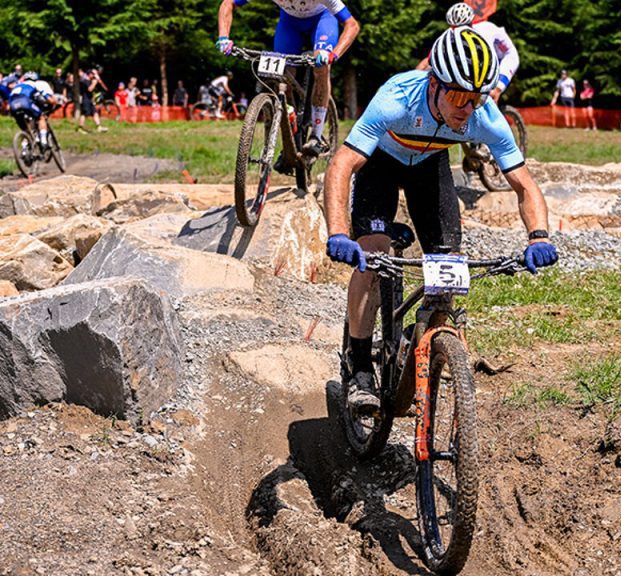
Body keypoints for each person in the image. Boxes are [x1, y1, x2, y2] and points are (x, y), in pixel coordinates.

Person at [322, 27, 558, 410]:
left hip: (429, 167)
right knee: (372, 255)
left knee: (448, 261)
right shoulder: (396, 98)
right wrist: (339, 233)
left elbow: (524, 185)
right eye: (460, 96)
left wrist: (539, 237)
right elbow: (342, 164)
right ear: (434, 84)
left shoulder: (484, 116)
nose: (468, 108)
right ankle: (360, 365)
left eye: (477, 97)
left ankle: (435, 340)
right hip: (380, 165)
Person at [218, 0, 361, 158]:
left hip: (323, 19)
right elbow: (228, 3)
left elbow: (352, 25)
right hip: (290, 22)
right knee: (282, 75)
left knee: (321, 68)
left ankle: (316, 136)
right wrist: (224, 37)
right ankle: (291, 141)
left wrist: (334, 55)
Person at [415, 3, 521, 104]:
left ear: (471, 24)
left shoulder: (488, 32)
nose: (458, 32)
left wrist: (498, 88)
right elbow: (428, 62)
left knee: (487, 97)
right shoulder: (447, 37)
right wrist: (412, 79)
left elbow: (511, 55)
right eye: (453, 28)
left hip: (502, 60)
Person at [8, 74, 59, 149]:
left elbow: (8, 104)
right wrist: (54, 102)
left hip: (13, 105)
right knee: (41, 117)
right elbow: (47, 98)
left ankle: (24, 149)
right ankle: (43, 141)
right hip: (24, 102)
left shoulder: (17, 86)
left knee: (26, 130)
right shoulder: (34, 85)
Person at [77, 68, 108, 133]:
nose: (93, 75)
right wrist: (94, 83)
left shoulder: (90, 81)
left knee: (95, 112)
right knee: (84, 114)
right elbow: (90, 89)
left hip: (90, 99)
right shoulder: (85, 81)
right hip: (85, 100)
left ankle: (99, 127)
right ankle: (80, 128)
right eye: (92, 74)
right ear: (89, 74)